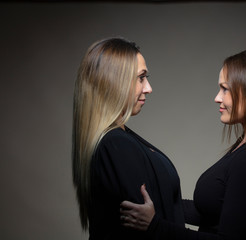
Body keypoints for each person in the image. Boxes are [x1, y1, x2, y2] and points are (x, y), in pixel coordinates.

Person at [119, 46, 246, 240]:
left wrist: (155, 226)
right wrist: (156, 205)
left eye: (225, 89)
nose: (217, 98)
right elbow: (214, 212)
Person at [72, 37, 185, 239]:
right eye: (141, 78)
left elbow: (164, 206)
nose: (148, 88)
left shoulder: (116, 139)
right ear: (115, 82)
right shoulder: (115, 144)